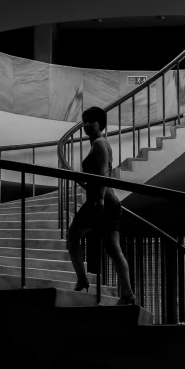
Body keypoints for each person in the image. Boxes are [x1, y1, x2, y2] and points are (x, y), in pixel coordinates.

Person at [65, 106, 136, 306]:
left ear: (100, 124)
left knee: (72, 237)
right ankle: (127, 295)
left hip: (100, 200)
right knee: (114, 249)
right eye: (84, 121)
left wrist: (101, 198)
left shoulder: (99, 142)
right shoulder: (98, 143)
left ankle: (82, 279)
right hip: (104, 200)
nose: (86, 125)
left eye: (91, 121)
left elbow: (104, 173)